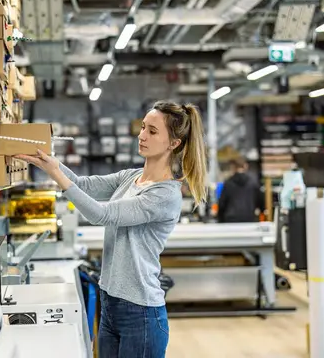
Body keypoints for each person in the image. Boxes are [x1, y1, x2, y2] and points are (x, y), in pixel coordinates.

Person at [16, 101, 208, 358]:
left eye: (152, 131)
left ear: (174, 143)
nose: (141, 136)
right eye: (142, 128)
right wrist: (47, 163)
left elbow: (101, 214)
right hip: (110, 303)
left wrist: (56, 174)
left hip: (140, 313)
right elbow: (83, 184)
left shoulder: (165, 194)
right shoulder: (131, 177)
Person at [217, 156, 263, 223]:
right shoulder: (253, 183)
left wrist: (220, 220)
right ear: (245, 166)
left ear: (233, 167)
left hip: (230, 221)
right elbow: (261, 203)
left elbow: (222, 204)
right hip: (249, 219)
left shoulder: (228, 183)